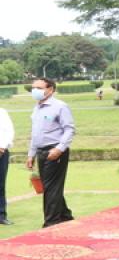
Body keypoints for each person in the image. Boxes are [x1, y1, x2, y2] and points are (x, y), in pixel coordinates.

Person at [26, 78, 76, 227]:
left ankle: (51, 222)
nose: (35, 91)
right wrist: (31, 154)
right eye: (33, 88)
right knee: (50, 186)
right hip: (41, 151)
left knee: (51, 187)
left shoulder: (59, 106)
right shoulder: (37, 108)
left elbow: (69, 129)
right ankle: (65, 216)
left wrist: (59, 148)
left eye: (39, 88)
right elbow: (35, 134)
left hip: (55, 150)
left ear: (50, 89)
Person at [0, 107, 13, 225]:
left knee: (0, 184)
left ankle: (1, 215)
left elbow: (9, 131)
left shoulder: (2, 112)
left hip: (1, 152)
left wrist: (2, 147)